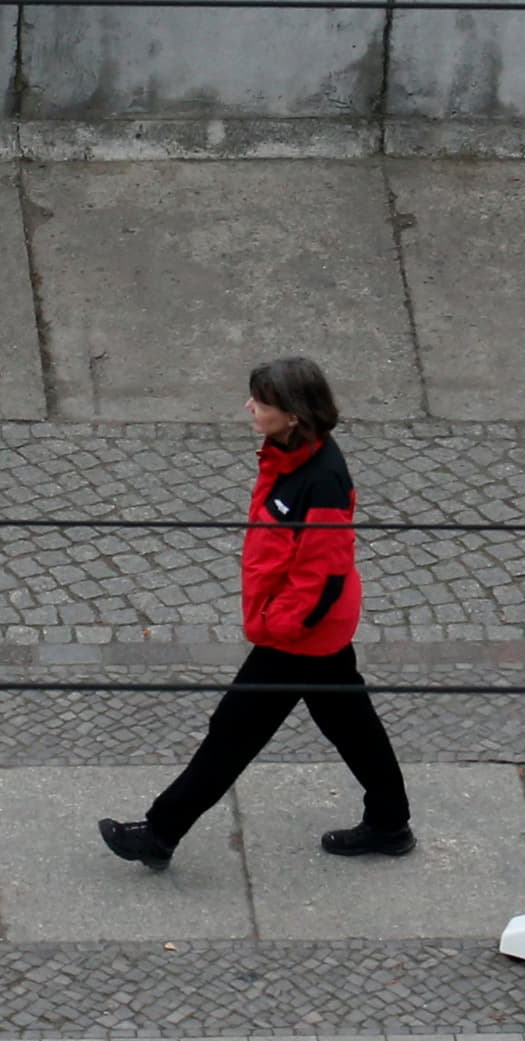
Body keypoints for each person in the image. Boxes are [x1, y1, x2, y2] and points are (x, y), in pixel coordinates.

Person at [99, 356, 414, 868]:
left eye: (261, 401)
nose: (250, 406)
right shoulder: (286, 455)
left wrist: (273, 627)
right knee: (352, 726)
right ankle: (390, 823)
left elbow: (323, 575)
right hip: (309, 631)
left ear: (293, 414)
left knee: (233, 732)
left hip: (300, 635)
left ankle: (159, 833)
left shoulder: (323, 479)